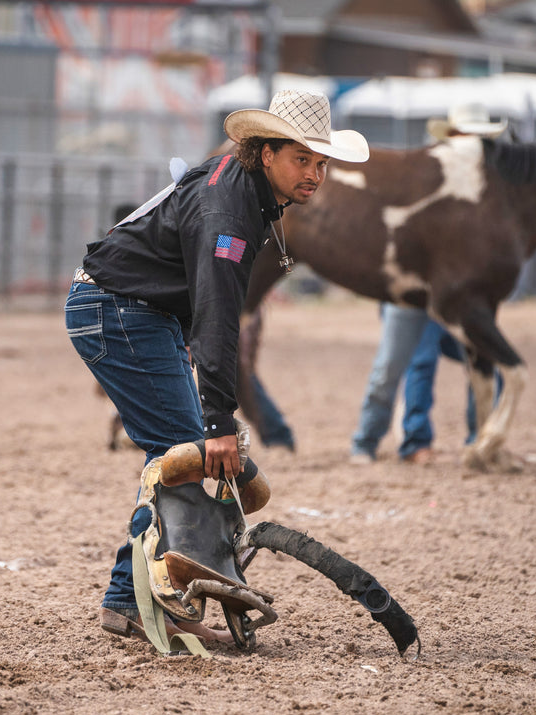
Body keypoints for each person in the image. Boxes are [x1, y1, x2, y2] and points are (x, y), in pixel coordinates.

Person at [65, 89, 369, 643]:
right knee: (187, 450)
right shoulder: (229, 209)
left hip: (133, 312)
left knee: (180, 453)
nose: (316, 174)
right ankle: (136, 605)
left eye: (322, 162)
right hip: (119, 311)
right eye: (303, 159)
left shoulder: (243, 184)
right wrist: (219, 421)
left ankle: (126, 599)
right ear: (267, 153)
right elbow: (218, 316)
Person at [350, 104, 506, 466]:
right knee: (400, 366)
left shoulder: (485, 190)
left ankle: (480, 438)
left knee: (485, 362)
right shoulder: (425, 181)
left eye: (479, 139)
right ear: (452, 139)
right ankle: (378, 441)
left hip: (458, 296)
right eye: (469, 137)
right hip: (414, 293)